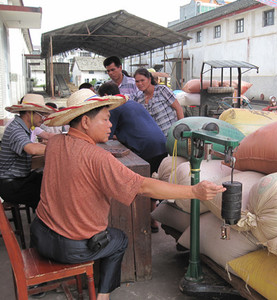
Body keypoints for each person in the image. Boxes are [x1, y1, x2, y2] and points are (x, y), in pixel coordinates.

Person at [30, 89, 225, 300]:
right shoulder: (98, 157)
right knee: (119, 239)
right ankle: (102, 296)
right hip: (70, 249)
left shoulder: (55, 143)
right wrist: (194, 191)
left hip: (39, 235)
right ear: (85, 122)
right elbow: (143, 186)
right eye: (105, 119)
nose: (110, 125)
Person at [98, 82, 168, 232]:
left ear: (106, 97)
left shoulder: (114, 108)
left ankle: (140, 223)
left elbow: (105, 136)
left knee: (140, 185)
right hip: (161, 144)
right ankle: (153, 220)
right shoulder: (132, 103)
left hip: (145, 148)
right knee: (152, 182)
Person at [0, 94, 56, 209]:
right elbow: (32, 149)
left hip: (19, 179)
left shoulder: (24, 128)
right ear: (29, 113)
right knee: (50, 194)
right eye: (41, 115)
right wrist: (59, 148)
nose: (43, 119)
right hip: (10, 184)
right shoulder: (15, 128)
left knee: (50, 181)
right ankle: (45, 224)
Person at [134, 68, 184, 136]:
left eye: (142, 80)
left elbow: (179, 109)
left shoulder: (162, 90)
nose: (140, 83)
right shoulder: (139, 99)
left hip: (170, 136)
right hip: (155, 139)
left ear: (149, 79)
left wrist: (180, 131)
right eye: (137, 81)